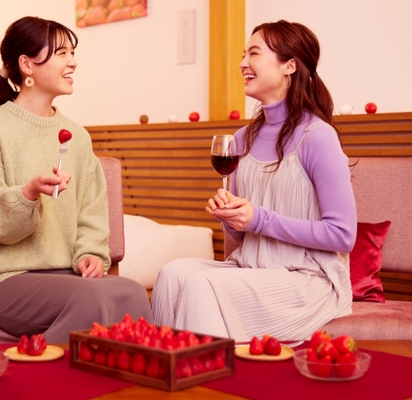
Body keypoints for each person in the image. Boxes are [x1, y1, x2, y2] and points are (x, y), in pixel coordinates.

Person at [151, 20, 356, 342]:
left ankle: (206, 372)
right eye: (243, 54)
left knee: (202, 284)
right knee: (172, 273)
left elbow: (343, 235)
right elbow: (241, 232)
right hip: (251, 267)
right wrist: (231, 217)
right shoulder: (241, 138)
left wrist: (259, 219)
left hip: (308, 279)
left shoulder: (318, 136)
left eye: (254, 54)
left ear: (289, 66)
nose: (243, 63)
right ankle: (168, 366)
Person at [0, 16, 153, 343]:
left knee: (131, 293)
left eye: (72, 53)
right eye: (61, 53)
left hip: (64, 275)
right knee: (90, 299)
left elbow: (91, 212)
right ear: (27, 65)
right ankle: (42, 370)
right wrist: (28, 194)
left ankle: (119, 377)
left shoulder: (78, 136)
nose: (73, 62)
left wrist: (90, 253)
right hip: (1, 277)